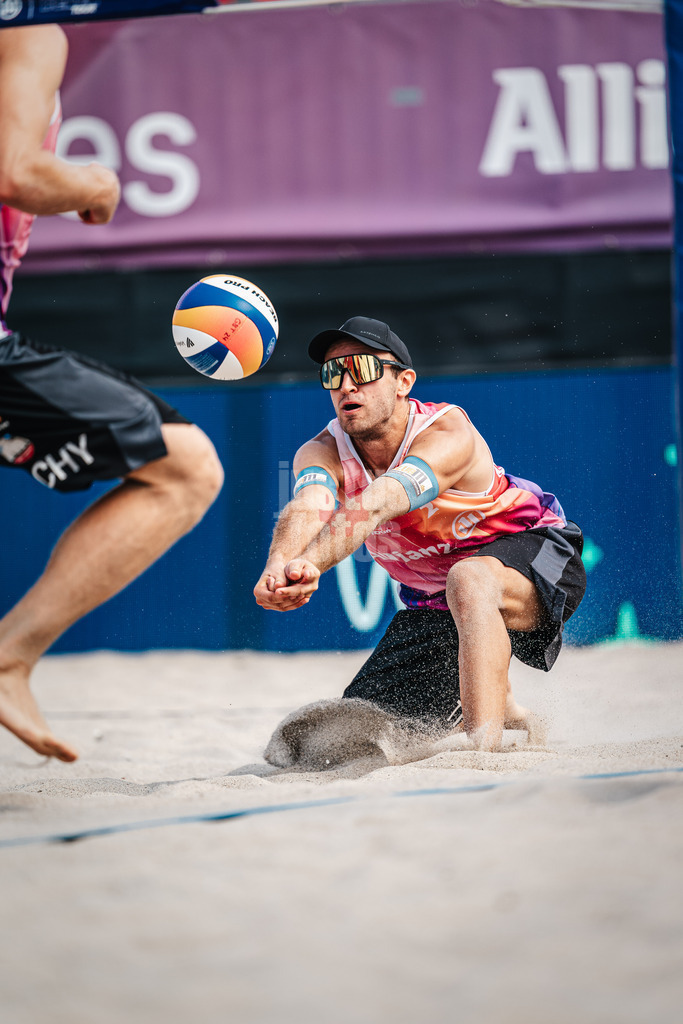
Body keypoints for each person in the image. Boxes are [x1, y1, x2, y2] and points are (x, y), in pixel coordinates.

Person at [0, 25, 223, 762]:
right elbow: (15, 172)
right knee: (185, 469)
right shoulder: (27, 28)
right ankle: (8, 658)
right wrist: (95, 186)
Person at [254, 316, 586, 755]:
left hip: (539, 554)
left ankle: (483, 752)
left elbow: (377, 503)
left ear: (403, 382)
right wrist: (278, 565)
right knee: (348, 739)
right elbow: (307, 506)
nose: (346, 386)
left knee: (470, 579)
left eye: (364, 370)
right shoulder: (320, 451)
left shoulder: (448, 433)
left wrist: (311, 564)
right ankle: (505, 708)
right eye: (333, 374)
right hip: (440, 604)